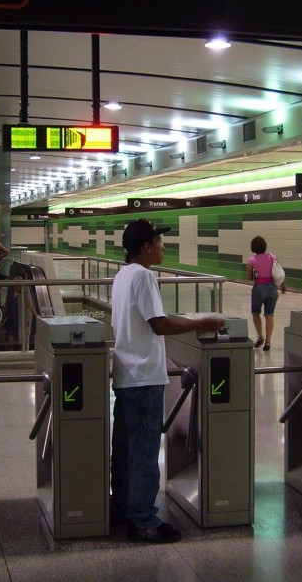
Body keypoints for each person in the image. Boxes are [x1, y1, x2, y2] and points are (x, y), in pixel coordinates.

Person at [110, 219, 224, 543]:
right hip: (145, 376)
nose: (163, 246)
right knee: (145, 452)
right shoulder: (144, 276)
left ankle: (122, 509)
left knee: (125, 451)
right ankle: (144, 521)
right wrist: (201, 321)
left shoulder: (122, 276)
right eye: (160, 241)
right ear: (146, 247)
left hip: (126, 376)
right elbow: (159, 324)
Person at [246, 236, 286, 351]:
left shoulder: (251, 261)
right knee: (269, 315)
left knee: (255, 313)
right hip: (272, 289)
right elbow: (279, 272)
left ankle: (260, 336)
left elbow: (249, 277)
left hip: (258, 288)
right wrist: (283, 285)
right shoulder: (273, 257)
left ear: (253, 247)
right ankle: (268, 341)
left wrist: (256, 273)